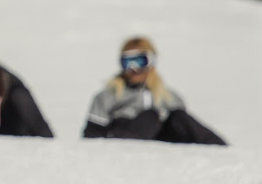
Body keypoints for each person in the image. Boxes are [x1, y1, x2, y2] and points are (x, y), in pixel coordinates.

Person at [82, 36, 226, 145]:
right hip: (122, 143)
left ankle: (224, 152)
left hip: (161, 145)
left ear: (151, 61)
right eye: (127, 62)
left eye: (140, 61)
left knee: (178, 117)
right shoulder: (108, 96)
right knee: (150, 117)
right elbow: (91, 137)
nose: (133, 68)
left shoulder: (170, 97)